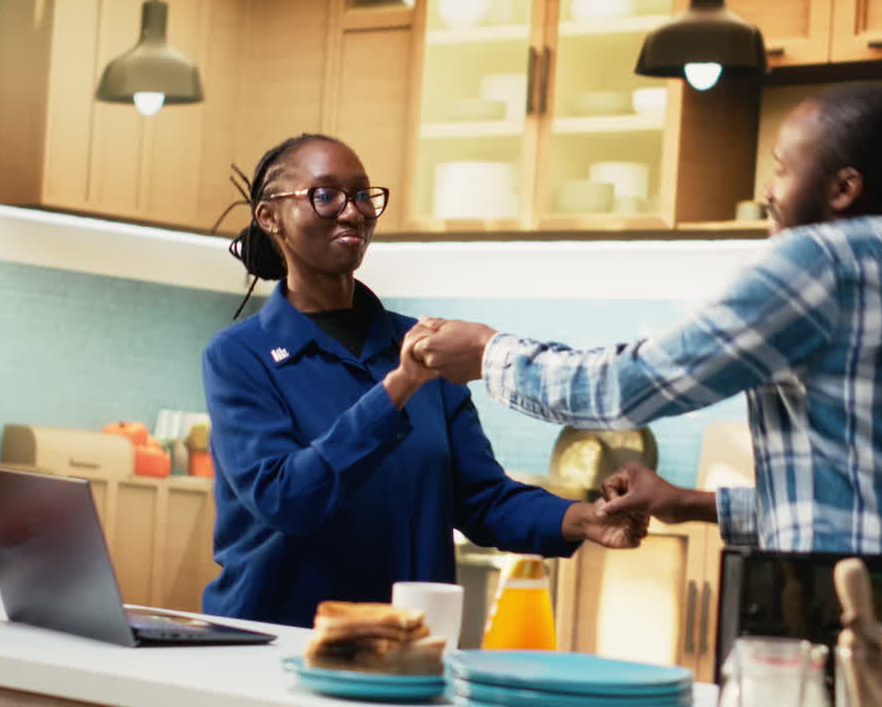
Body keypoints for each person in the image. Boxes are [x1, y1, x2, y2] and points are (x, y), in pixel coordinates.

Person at [410, 83, 882, 557]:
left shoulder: (821, 262)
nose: (769, 191)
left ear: (842, 189)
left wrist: (489, 354)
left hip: (842, 614)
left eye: (783, 169)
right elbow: (857, 505)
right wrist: (683, 502)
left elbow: (626, 388)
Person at [200, 133, 645, 628]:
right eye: (325, 195)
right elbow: (286, 499)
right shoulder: (239, 356)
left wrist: (583, 518)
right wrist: (400, 385)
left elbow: (481, 498)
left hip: (403, 647)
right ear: (270, 216)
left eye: (363, 195)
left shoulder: (420, 344)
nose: (352, 211)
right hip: (275, 640)